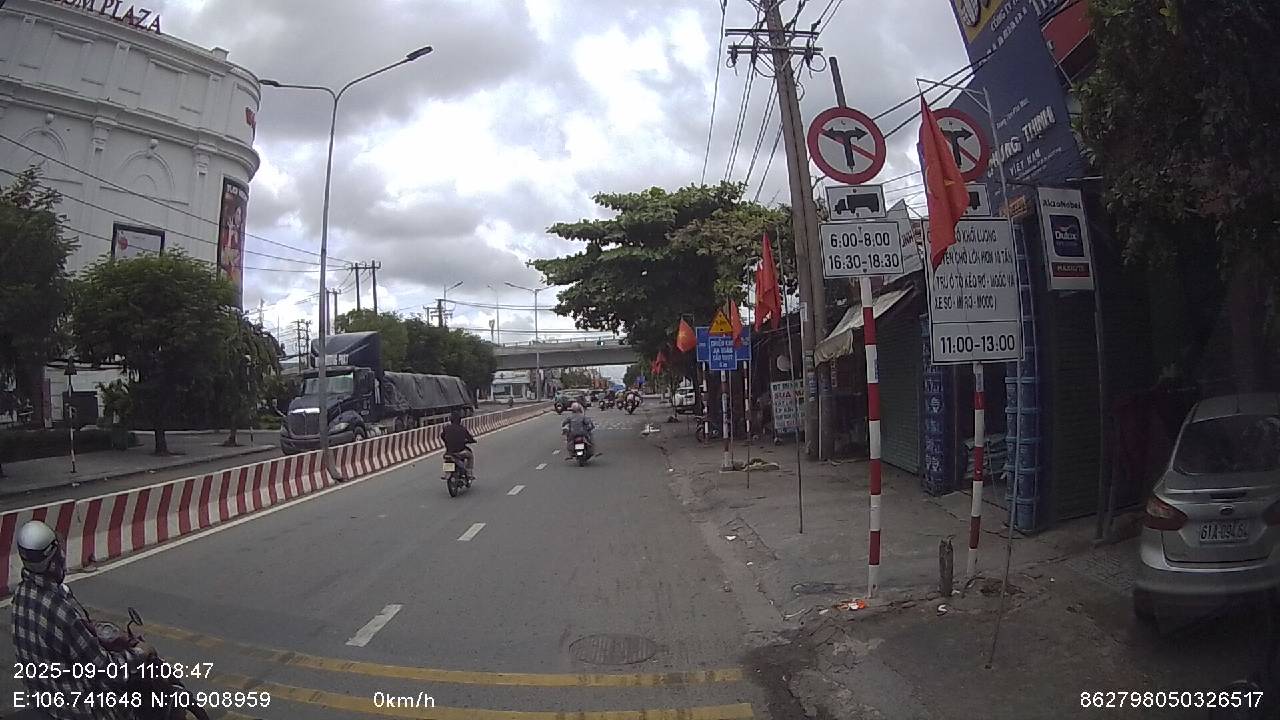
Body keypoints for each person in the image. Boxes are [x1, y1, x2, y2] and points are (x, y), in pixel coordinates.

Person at [12, 520, 153, 720]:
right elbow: (106, 669)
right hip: (77, 710)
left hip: (42, 699)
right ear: (53, 560)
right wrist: (140, 652)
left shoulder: (20, 595)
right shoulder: (61, 611)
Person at [441, 410, 477, 478]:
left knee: (447, 458)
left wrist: (446, 441)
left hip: (449, 452)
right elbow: (470, 438)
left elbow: (442, 436)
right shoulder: (463, 429)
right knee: (470, 456)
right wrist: (473, 441)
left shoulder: (446, 428)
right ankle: (469, 473)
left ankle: (447, 472)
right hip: (460, 452)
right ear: (460, 420)